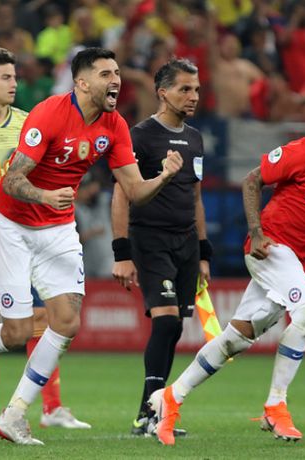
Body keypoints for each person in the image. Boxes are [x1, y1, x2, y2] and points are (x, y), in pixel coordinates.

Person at [0, 47, 183, 445]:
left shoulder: (115, 126)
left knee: (66, 323)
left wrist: (165, 177)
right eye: (105, 74)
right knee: (14, 333)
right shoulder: (50, 112)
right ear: (82, 83)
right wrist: (47, 196)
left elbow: (134, 190)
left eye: (117, 72)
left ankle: (15, 414)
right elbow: (13, 180)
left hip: (59, 229)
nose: (115, 80)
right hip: (13, 223)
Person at [151, 94, 305, 446]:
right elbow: (251, 181)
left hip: (301, 264)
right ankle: (276, 404)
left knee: (236, 338)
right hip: (270, 247)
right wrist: (256, 231)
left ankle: (170, 397)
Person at [0, 47, 90, 430]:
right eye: (6, 77)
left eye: (16, 77)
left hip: (27, 229)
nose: (15, 83)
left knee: (44, 318)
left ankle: (52, 408)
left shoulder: (29, 122)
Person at [110, 58, 211, 437]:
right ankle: (153, 410)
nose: (193, 96)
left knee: (174, 328)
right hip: (149, 239)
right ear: (162, 92)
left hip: (185, 242)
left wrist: (203, 252)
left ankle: (149, 412)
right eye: (185, 89)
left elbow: (196, 197)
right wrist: (122, 253)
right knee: (166, 320)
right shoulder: (139, 136)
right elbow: (121, 195)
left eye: (197, 89)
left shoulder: (195, 138)